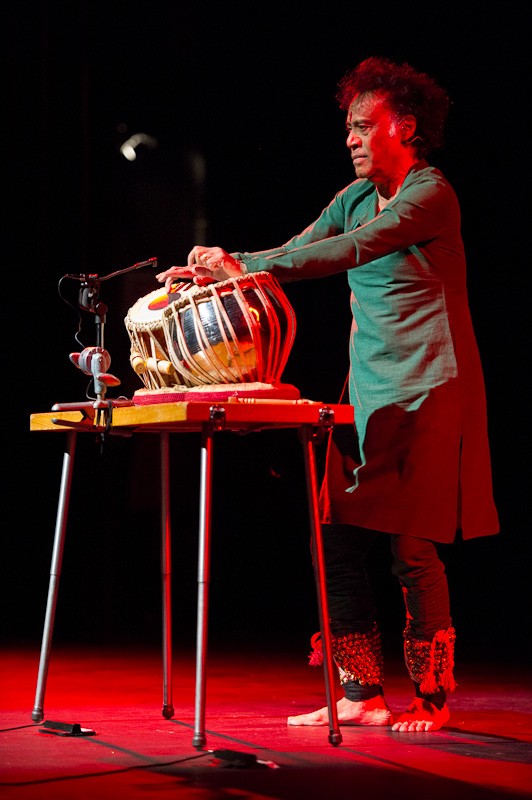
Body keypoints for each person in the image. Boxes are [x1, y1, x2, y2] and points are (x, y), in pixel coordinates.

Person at [157, 57, 499, 732]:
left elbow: (349, 251)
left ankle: (431, 696)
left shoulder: (431, 195)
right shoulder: (353, 197)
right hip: (365, 390)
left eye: (363, 126)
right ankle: (360, 691)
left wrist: (242, 266)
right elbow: (300, 246)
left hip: (430, 388)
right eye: (348, 127)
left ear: (405, 128)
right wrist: (221, 275)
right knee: (336, 540)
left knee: (411, 550)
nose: (350, 138)